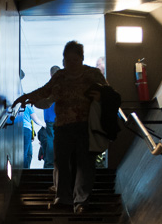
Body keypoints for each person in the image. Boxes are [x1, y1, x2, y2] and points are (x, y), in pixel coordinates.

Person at [13, 41, 107, 212]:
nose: (70, 64)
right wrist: (26, 97)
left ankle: (81, 202)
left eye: (74, 60)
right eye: (67, 60)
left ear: (82, 59)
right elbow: (45, 90)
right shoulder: (60, 76)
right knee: (61, 162)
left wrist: (100, 97)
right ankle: (63, 199)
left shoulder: (92, 74)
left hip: (86, 126)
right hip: (63, 126)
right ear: (63, 61)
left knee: (84, 163)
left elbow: (109, 94)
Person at [22, 103, 43, 168]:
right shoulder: (28, 107)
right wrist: (45, 125)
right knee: (25, 153)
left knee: (29, 153)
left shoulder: (20, 107)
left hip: (24, 130)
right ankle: (24, 171)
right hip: (26, 130)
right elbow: (36, 120)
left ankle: (27, 168)